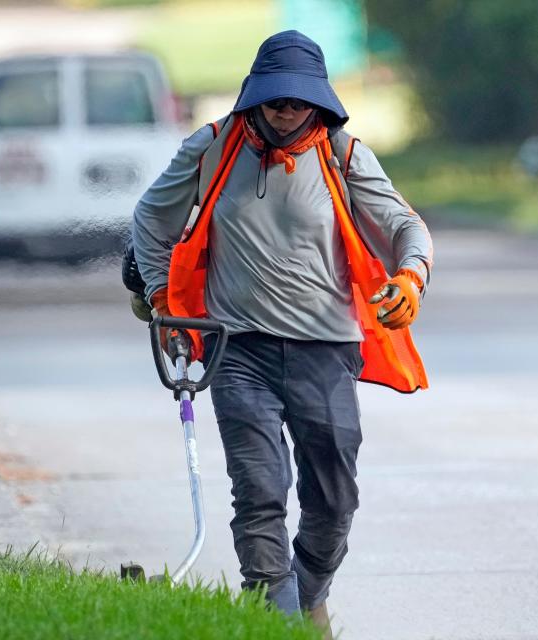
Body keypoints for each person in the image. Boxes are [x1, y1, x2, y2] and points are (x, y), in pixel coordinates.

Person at [130, 30, 432, 636]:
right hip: (236, 348)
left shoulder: (344, 156)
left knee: (334, 498)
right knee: (260, 488)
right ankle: (275, 616)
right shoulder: (213, 147)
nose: (286, 109)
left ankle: (307, 591)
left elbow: (405, 226)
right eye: (275, 98)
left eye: (297, 99)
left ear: (318, 101)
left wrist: (412, 276)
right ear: (254, 97)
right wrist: (163, 296)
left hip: (326, 352)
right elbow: (150, 219)